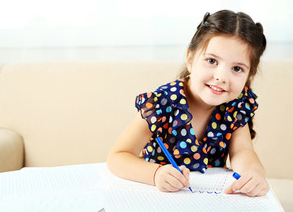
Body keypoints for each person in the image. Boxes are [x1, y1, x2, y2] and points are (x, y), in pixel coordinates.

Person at [107, 10, 269, 197]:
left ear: (250, 75)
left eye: (237, 68)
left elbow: (242, 152)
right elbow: (118, 156)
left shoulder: (236, 105)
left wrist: (254, 173)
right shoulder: (163, 103)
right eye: (211, 60)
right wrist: (156, 174)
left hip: (207, 200)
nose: (221, 77)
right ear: (190, 59)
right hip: (157, 196)